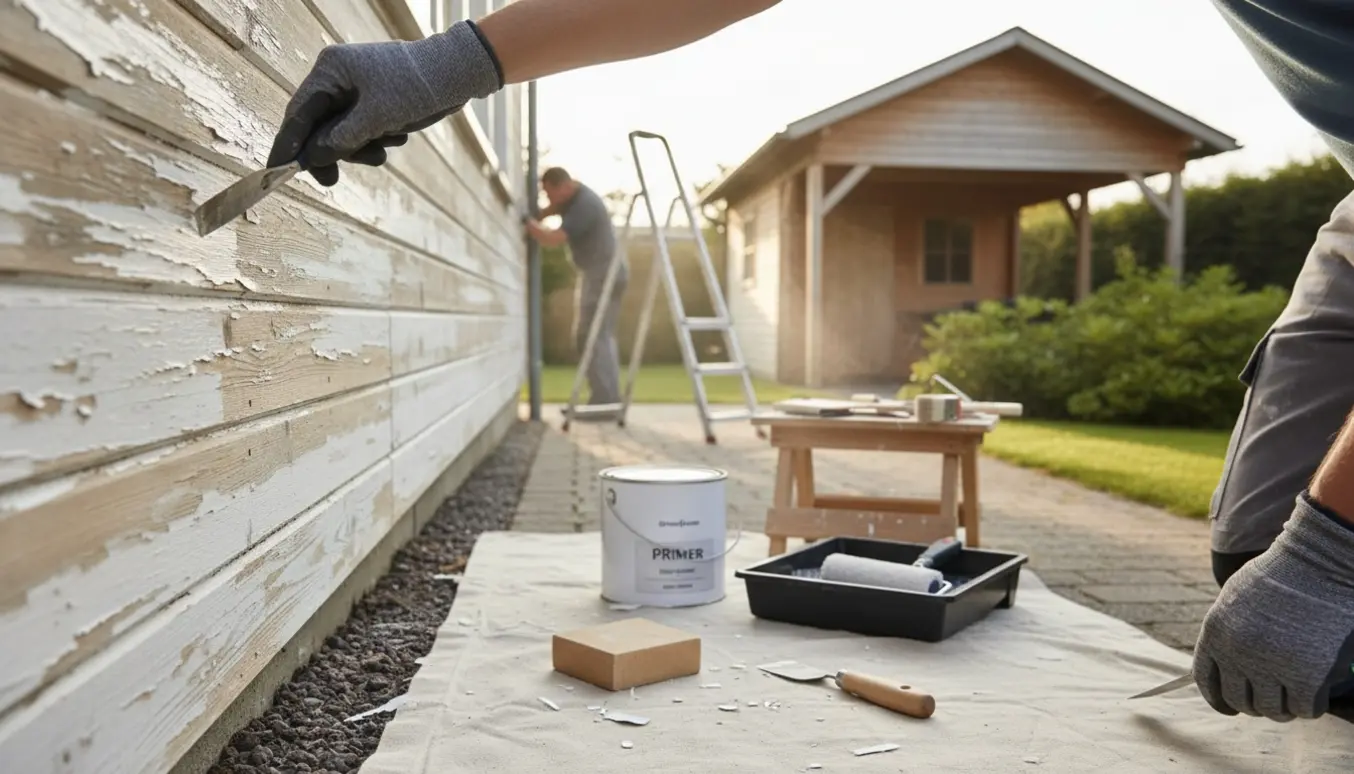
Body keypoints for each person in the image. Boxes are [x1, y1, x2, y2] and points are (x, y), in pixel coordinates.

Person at [265, 0, 1354, 723]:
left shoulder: (578, 204)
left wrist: (1328, 558)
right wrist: (456, 60)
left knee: (1317, 592)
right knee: (1256, 552)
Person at [525, 167, 628, 411]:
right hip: (604, 273)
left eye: (549, 193)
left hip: (602, 274)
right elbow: (549, 211)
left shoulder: (584, 205)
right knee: (598, 335)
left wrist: (525, 222)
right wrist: (538, 214)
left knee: (591, 335)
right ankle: (607, 399)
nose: (548, 200)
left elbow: (553, 238)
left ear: (563, 186)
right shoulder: (571, 199)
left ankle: (605, 401)